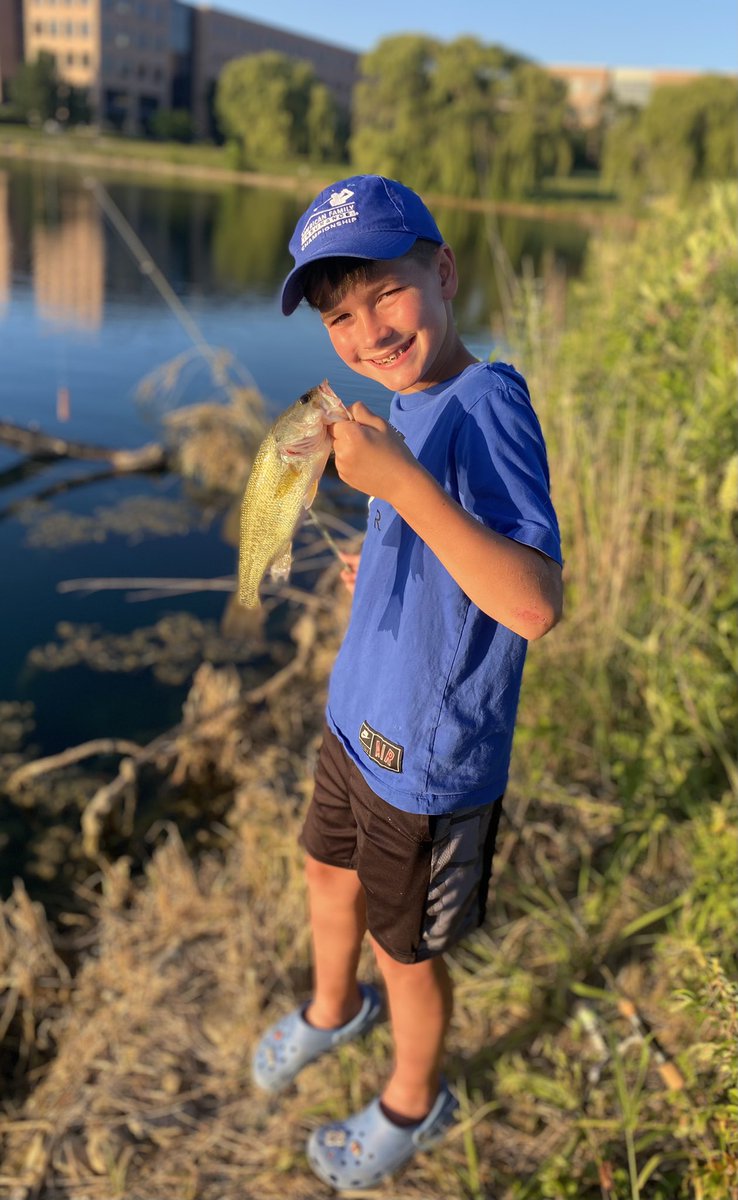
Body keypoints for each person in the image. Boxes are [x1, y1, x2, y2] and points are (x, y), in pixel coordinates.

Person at [251, 174, 563, 1191]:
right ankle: (331, 1010)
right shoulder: (401, 401)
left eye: (386, 293)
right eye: (340, 315)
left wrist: (404, 492)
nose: (368, 330)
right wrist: (380, 549)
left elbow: (530, 601)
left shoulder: (490, 401)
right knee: (322, 873)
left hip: (427, 767)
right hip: (357, 722)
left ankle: (414, 1103)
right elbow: (431, 537)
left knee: (408, 955)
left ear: (442, 270)